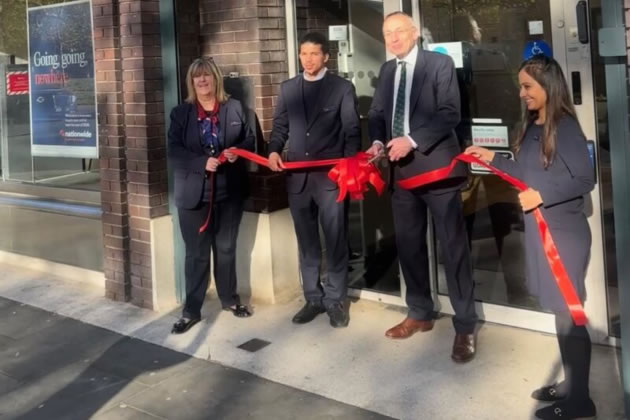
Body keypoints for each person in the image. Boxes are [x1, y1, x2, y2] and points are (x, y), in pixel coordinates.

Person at [466, 55, 596, 420]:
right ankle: (572, 386)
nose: (521, 93)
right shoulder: (534, 124)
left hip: (563, 236)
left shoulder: (564, 126)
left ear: (547, 87)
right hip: (542, 232)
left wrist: (543, 195)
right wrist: (492, 157)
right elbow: (525, 173)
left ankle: (580, 402)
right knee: (559, 312)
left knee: (570, 313)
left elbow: (585, 179)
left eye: (527, 86)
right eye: (520, 86)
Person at [366, 11, 478, 363]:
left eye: (399, 31)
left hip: (437, 170)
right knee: (410, 247)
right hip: (400, 175)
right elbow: (378, 115)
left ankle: (464, 325)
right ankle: (419, 312)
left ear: (414, 33)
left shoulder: (438, 65)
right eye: (387, 33)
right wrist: (378, 141)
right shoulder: (386, 71)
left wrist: (411, 140)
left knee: (453, 248)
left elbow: (449, 113)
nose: (393, 38)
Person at [268, 32, 361, 328]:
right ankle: (313, 297)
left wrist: (347, 167)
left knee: (335, 240)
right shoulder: (288, 89)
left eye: (314, 54)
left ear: (325, 58)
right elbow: (280, 126)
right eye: (303, 53)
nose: (308, 59)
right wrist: (272, 151)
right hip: (297, 179)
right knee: (307, 242)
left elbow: (351, 131)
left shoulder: (342, 88)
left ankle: (335, 300)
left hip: (330, 178)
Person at [168, 57, 255, 334]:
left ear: (216, 79)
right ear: (192, 82)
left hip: (228, 192)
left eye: (207, 76)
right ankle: (191, 310)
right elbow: (174, 151)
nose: (202, 81)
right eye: (197, 77)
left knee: (227, 249)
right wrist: (200, 163)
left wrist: (236, 151)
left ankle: (229, 300)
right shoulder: (181, 114)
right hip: (194, 194)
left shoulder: (234, 108)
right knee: (196, 254)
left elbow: (250, 140)